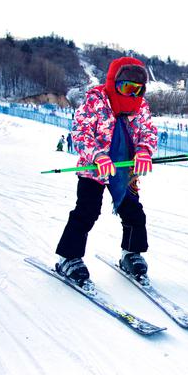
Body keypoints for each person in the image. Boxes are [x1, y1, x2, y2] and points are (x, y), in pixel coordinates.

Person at [54, 57, 158, 288]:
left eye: (137, 89)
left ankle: (131, 253)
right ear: (114, 83)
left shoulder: (140, 107)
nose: (132, 94)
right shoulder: (95, 101)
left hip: (123, 171)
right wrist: (98, 155)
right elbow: (80, 132)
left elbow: (148, 132)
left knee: (133, 212)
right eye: (126, 87)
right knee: (87, 211)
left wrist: (143, 151)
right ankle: (68, 257)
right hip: (93, 169)